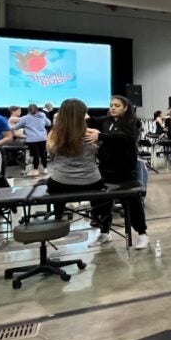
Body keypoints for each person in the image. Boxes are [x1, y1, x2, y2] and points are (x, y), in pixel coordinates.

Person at [87, 95, 150, 249]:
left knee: (133, 202)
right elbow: (89, 121)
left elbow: (125, 137)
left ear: (125, 107)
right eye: (111, 105)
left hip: (125, 171)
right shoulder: (106, 121)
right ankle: (105, 232)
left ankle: (142, 234)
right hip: (105, 170)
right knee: (102, 203)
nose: (113, 108)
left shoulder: (132, 122)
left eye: (117, 105)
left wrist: (100, 136)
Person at [45, 98, 109, 239]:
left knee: (52, 183)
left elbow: (52, 157)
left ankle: (58, 217)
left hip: (61, 183)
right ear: (82, 114)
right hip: (91, 182)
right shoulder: (93, 133)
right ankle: (102, 225)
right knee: (103, 189)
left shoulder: (54, 135)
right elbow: (101, 155)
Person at [13, 103, 51, 176]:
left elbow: (16, 127)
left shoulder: (25, 118)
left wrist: (10, 127)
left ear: (28, 110)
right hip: (42, 138)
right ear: (37, 109)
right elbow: (49, 123)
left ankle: (35, 170)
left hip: (32, 139)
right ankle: (45, 169)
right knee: (43, 154)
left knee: (35, 155)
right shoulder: (42, 115)